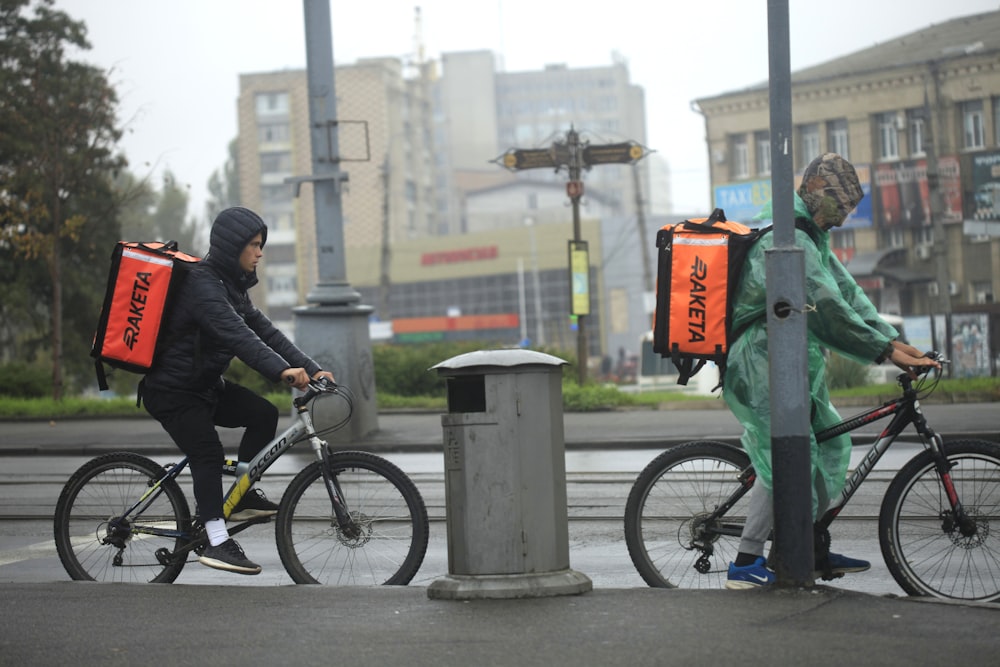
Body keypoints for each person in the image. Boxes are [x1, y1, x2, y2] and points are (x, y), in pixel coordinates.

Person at [722, 153, 940, 589]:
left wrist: (893, 338)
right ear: (817, 190)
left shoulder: (811, 236)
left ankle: (808, 546)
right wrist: (884, 351)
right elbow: (828, 309)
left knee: (831, 443)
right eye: (839, 208)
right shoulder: (786, 237)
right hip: (761, 361)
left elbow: (848, 292)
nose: (842, 219)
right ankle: (745, 562)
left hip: (792, 359)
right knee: (787, 456)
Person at [140, 207, 335, 575]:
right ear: (234, 247)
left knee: (262, 414)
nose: (260, 253)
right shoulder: (203, 286)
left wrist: (311, 368)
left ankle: (241, 493)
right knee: (208, 454)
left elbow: (267, 332)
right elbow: (239, 337)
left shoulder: (232, 288)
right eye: (254, 245)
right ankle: (215, 539)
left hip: (204, 387)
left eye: (261, 245)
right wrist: (282, 371)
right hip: (172, 391)